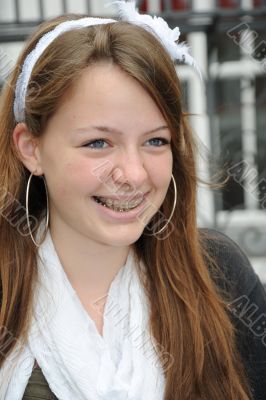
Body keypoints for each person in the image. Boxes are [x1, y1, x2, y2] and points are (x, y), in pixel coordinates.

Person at [0, 1, 265, 399]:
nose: (134, 174)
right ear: (31, 147)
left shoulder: (220, 276)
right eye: (98, 143)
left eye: (155, 141)